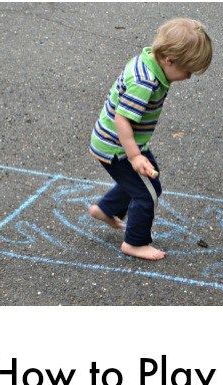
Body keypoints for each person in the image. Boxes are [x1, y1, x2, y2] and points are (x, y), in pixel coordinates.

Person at [88, 18, 212, 260]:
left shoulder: (147, 59)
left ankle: (106, 209)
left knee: (142, 180)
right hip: (117, 147)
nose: (189, 77)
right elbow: (122, 119)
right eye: (187, 71)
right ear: (169, 60)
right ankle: (135, 243)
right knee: (148, 192)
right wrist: (134, 156)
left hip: (118, 141)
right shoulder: (144, 82)